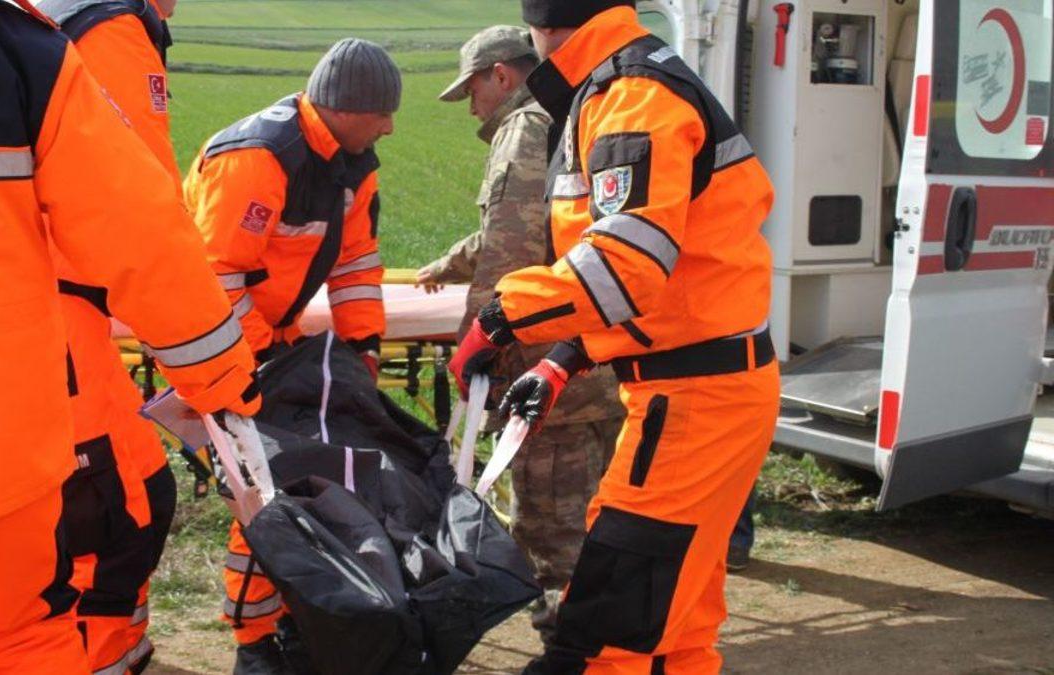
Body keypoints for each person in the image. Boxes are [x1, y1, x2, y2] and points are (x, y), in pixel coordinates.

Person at [0, 1, 261, 673]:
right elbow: (141, 233)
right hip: (3, 445)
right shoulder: (21, 50)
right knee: (21, 640)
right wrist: (222, 381)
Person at [450, 1, 779, 672]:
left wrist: (499, 318)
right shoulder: (618, 82)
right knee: (674, 631)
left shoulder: (630, 95)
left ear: (541, 23)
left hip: (692, 403)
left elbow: (626, 267)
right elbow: (670, 271)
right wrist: (563, 360)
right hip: (700, 389)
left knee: (600, 639)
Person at [182, 38, 399, 674]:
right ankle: (255, 643)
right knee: (259, 492)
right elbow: (213, 282)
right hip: (212, 344)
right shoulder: (258, 158)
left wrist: (362, 346)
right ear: (344, 108)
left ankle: (293, 621)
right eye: (382, 114)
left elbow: (356, 262)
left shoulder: (353, 165)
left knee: (297, 484)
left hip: (267, 341)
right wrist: (264, 360)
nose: (389, 127)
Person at [419, 25, 624, 641]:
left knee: (552, 529)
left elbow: (510, 251)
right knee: (609, 515)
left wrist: (480, 348)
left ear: (501, 75)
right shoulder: (581, 111)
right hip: (601, 357)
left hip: (547, 372)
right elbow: (545, 228)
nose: (472, 107)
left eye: (472, 91)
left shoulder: (524, 127)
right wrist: (449, 263)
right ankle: (619, 637)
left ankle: (573, 648)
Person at [34, 0, 182, 671]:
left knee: (117, 499)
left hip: (53, 310)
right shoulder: (109, 28)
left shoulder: (55, 19)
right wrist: (196, 352)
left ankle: (110, 648)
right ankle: (91, 656)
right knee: (114, 510)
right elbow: (143, 213)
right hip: (59, 315)